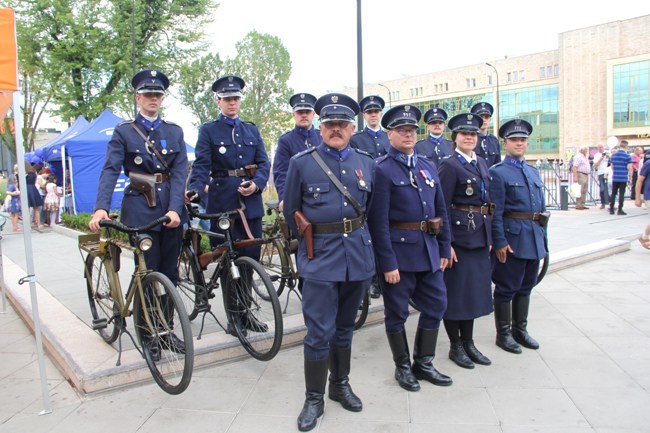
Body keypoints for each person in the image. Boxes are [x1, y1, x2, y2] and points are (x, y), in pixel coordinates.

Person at [284, 93, 375, 431]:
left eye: (342, 124)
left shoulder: (367, 163)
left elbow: (372, 212)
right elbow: (292, 213)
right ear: (320, 128)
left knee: (345, 328)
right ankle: (314, 398)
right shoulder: (302, 163)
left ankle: (340, 385)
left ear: (353, 127)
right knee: (319, 332)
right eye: (330, 124)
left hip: (357, 257)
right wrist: (310, 248)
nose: (336, 129)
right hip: (320, 258)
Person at [89, 69, 188, 358]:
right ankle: (149, 337)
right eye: (148, 94)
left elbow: (180, 171)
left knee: (170, 275)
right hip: (139, 210)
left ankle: (167, 331)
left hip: (170, 210)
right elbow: (110, 170)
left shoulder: (174, 131)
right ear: (138, 97)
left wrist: (175, 208)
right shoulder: (124, 131)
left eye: (157, 95)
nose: (153, 99)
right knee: (148, 273)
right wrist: (101, 207)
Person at [367, 104, 453, 392]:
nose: (408, 134)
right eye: (402, 130)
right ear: (389, 133)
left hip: (429, 251)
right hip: (400, 256)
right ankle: (403, 367)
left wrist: (444, 248)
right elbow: (378, 223)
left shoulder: (427, 165)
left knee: (437, 304)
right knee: (396, 314)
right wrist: (387, 264)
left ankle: (424, 362)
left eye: (412, 130)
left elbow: (441, 211)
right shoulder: (381, 169)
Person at [188, 75, 270, 257]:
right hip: (222, 203)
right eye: (227, 99)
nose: (232, 103)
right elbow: (201, 165)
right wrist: (195, 189)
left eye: (235, 98)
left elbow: (264, 163)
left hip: (250, 205)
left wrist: (256, 184)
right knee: (225, 259)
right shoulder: (209, 130)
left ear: (240, 100)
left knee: (252, 258)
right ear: (219, 101)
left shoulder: (251, 130)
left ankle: (246, 286)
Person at [438, 113, 494, 369]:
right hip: (459, 240)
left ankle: (469, 343)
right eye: (464, 134)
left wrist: (490, 236)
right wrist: (445, 243)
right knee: (457, 295)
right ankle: (455, 346)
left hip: (479, 236)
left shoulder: (481, 163)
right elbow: (442, 206)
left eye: (473, 135)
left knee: (472, 295)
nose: (470, 138)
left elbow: (486, 203)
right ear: (455, 138)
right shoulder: (449, 165)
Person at [490, 118, 547, 354]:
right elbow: (496, 212)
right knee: (506, 287)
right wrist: (499, 241)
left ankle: (520, 330)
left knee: (526, 287)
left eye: (523, 140)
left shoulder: (533, 171)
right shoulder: (499, 173)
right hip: (513, 238)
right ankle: (503, 334)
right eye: (514, 140)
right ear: (505, 144)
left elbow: (540, 208)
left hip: (533, 236)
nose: (519, 143)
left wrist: (543, 238)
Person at [273, 93, 321, 210]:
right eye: (300, 112)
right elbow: (281, 172)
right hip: (297, 195)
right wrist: (284, 198)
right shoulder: (286, 140)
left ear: (313, 114)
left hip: (322, 195)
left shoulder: (322, 137)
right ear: (294, 114)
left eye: (307, 112)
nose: (304, 115)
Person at [470, 102, 501, 167]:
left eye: (486, 117)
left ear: (490, 120)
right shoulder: (469, 139)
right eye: (480, 117)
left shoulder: (494, 140)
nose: (484, 120)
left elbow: (497, 164)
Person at [609, 140, 632, 215]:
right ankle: (620, 209)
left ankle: (611, 209)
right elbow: (630, 168)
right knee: (621, 193)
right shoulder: (627, 156)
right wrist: (630, 178)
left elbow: (612, 166)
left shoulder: (614, 155)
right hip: (623, 177)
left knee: (613, 193)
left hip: (615, 177)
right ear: (626, 146)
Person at [635, 157, 650, 248]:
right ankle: (644, 237)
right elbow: (640, 180)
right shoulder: (648, 163)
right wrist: (637, 198)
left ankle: (644, 237)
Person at [24, 162, 44, 230]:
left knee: (27, 209)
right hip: (33, 189)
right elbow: (35, 182)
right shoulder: (34, 173)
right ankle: (39, 224)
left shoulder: (24, 173)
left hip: (26, 189)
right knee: (36, 208)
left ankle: (28, 225)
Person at [571, 145, 591, 210]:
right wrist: (575, 176)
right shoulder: (578, 157)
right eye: (585, 150)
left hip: (585, 174)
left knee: (584, 190)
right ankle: (578, 204)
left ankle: (583, 203)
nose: (587, 151)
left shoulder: (584, 157)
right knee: (580, 190)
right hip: (580, 174)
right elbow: (574, 167)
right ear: (582, 150)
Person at [592, 143, 610, 209]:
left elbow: (610, 162)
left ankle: (610, 202)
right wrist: (601, 158)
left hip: (607, 172)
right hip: (601, 173)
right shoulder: (596, 155)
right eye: (599, 147)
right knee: (602, 188)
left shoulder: (607, 153)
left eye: (602, 147)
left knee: (609, 188)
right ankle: (603, 203)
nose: (601, 148)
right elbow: (596, 165)